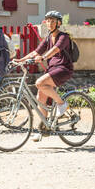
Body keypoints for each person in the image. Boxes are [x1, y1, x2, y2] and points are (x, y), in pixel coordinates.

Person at [17, 10, 73, 141]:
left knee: (39, 83)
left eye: (53, 21)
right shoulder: (48, 37)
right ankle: (43, 128)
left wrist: (43, 57)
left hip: (63, 69)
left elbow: (54, 50)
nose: (50, 23)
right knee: (40, 98)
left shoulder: (63, 37)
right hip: (52, 69)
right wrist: (21, 60)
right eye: (48, 21)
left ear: (58, 23)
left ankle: (61, 104)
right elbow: (36, 52)